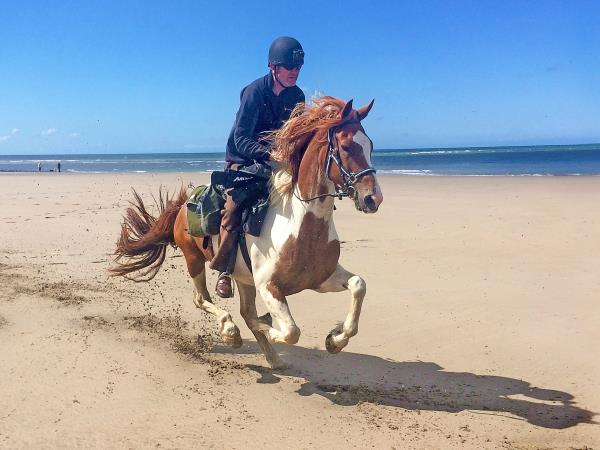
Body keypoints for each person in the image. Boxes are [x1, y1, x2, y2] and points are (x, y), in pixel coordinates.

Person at [209, 36, 306, 298]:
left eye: (298, 66)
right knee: (234, 208)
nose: (294, 72)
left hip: (276, 163)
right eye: (289, 67)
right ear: (273, 67)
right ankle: (225, 270)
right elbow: (241, 139)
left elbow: (296, 134)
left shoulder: (297, 96)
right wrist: (270, 153)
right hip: (243, 161)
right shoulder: (253, 92)